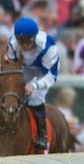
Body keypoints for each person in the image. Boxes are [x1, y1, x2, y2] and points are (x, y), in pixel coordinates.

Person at [5, 17, 59, 152]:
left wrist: (33, 85)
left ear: (34, 38)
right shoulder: (12, 44)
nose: (23, 46)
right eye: (21, 41)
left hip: (44, 71)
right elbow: (12, 68)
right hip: (26, 67)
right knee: (10, 90)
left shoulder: (48, 47)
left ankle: (42, 135)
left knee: (34, 97)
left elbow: (51, 76)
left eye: (27, 41)